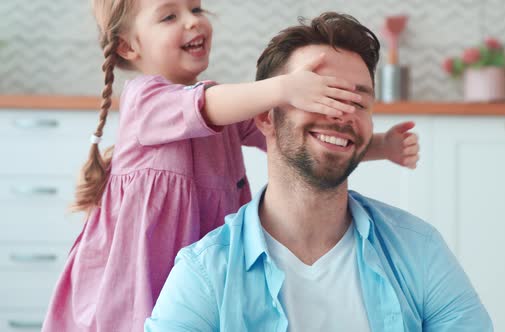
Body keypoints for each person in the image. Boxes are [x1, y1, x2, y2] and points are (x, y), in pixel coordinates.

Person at [42, 1, 420, 331]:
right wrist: (285, 87)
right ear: (128, 46)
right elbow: (207, 105)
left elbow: (296, 140)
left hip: (202, 267)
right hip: (137, 271)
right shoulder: (144, 99)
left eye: (196, 8)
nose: (193, 21)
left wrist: (380, 146)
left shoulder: (225, 106)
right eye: (169, 16)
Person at [145, 11, 493, 332]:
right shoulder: (205, 273)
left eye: (358, 102)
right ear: (266, 116)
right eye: (320, 95)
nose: (342, 114)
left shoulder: (419, 249)